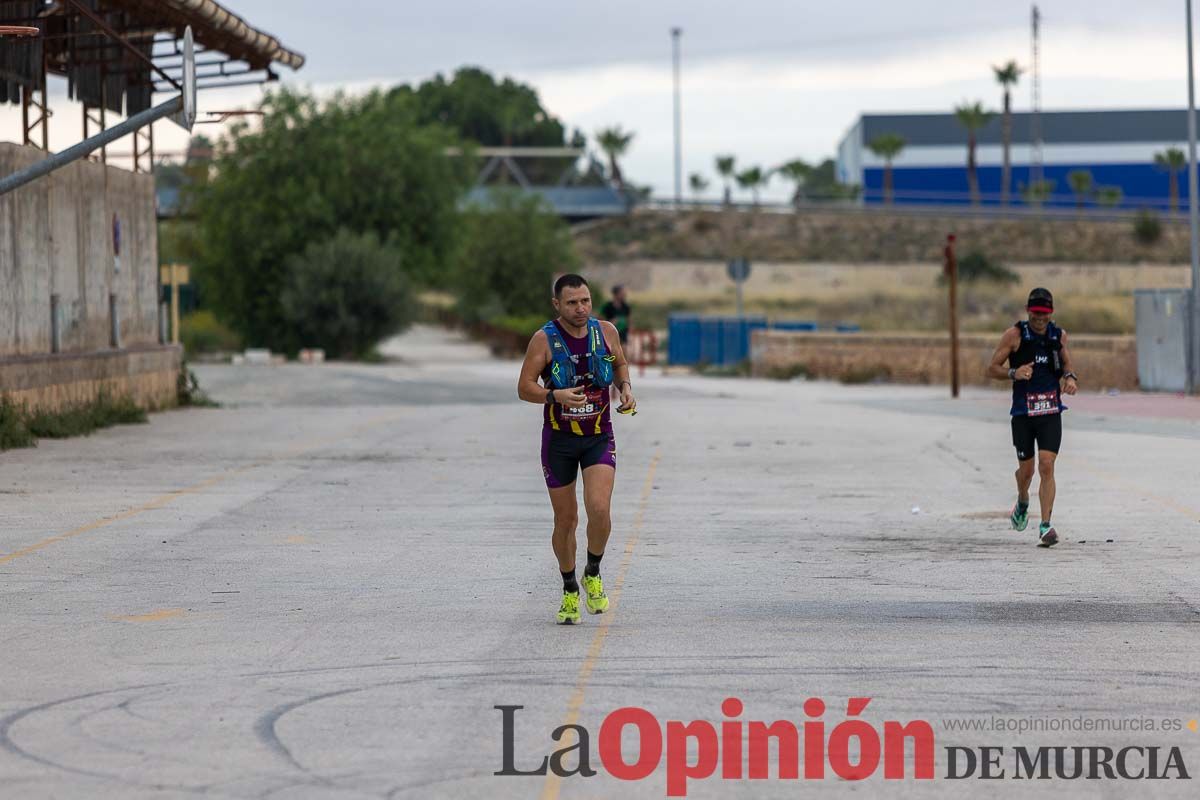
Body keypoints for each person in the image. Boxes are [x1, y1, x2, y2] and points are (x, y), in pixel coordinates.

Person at [518, 274, 637, 623]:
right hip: (559, 441)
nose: (580, 308)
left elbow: (619, 364)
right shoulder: (544, 339)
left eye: (585, 301)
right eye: (572, 303)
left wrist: (626, 387)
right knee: (566, 520)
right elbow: (524, 387)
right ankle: (570, 588)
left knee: (600, 509)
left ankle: (593, 571)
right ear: (557, 305)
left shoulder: (607, 331)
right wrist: (554, 395)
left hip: (599, 435)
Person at [986, 287, 1078, 547]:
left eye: (1045, 314)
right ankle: (1023, 498)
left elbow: (1067, 364)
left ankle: (1046, 525)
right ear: (1028, 311)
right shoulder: (1014, 335)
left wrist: (1070, 378)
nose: (1040, 318)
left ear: (1051, 313)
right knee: (1026, 472)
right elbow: (991, 368)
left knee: (1047, 465)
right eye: (1036, 313)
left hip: (1050, 412)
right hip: (1023, 414)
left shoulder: (1058, 336)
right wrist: (1014, 373)